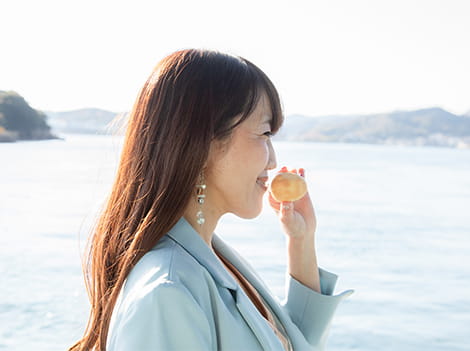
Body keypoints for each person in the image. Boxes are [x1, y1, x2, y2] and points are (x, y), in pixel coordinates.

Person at [70, 49, 352, 351]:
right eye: (265, 133)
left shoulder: (213, 260)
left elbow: (292, 345)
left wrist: (301, 240)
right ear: (205, 144)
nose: (273, 160)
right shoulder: (168, 292)